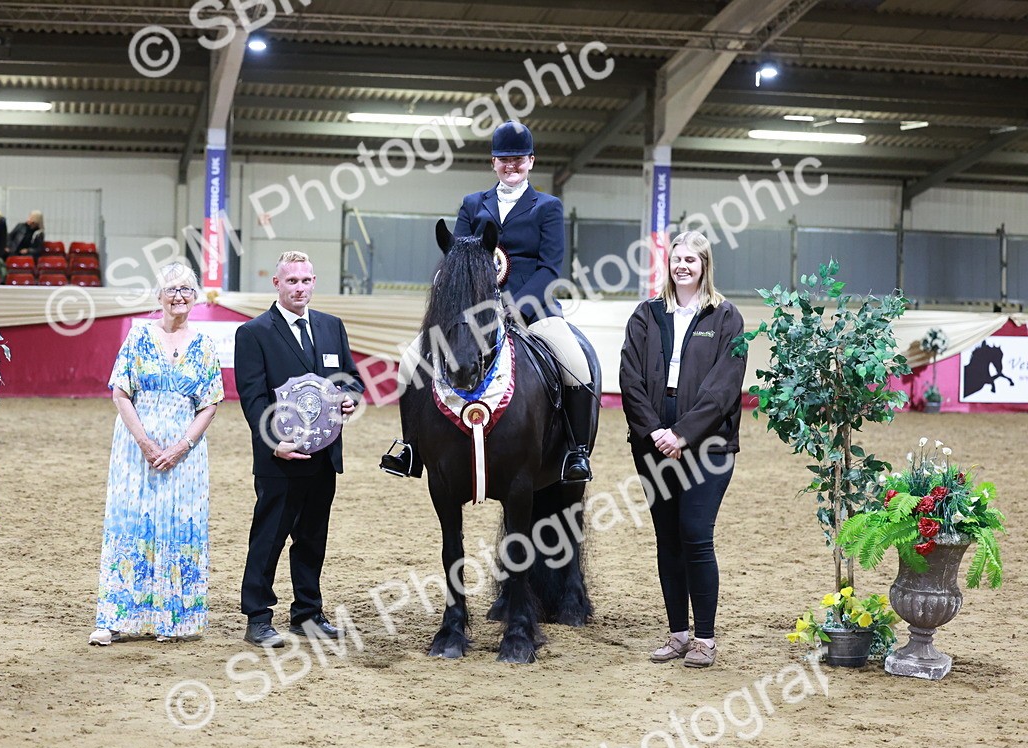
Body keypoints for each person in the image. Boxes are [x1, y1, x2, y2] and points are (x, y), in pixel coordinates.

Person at [380, 120, 597, 483]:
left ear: (531, 161)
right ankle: (411, 447)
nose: (511, 166)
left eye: (518, 159)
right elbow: (458, 258)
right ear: (492, 162)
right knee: (409, 361)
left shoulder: (547, 206)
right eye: (503, 159)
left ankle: (575, 452)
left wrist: (518, 307)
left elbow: (550, 267)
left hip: (533, 308)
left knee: (577, 364)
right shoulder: (472, 204)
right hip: (474, 310)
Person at [618, 230, 746, 669]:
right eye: (677, 259)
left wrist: (683, 434)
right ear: (667, 265)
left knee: (695, 535)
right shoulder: (647, 314)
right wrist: (655, 431)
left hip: (707, 447)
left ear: (705, 265)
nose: (683, 266)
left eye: (692, 259)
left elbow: (724, 388)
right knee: (667, 541)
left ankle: (705, 639)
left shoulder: (726, 317)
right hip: (653, 446)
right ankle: (677, 634)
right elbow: (629, 378)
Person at [234, 251, 363, 648]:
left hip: (324, 457)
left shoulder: (331, 326)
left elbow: (352, 380)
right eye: (292, 281)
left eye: (306, 280)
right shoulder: (254, 332)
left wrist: (349, 398)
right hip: (281, 459)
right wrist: (275, 443)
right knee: (269, 537)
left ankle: (307, 613)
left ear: (314, 281)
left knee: (312, 538)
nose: (300, 288)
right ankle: (257, 617)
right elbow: (251, 398)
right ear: (276, 284)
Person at [90, 262, 224, 645]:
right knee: (131, 524)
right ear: (158, 296)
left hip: (187, 455)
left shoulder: (205, 345)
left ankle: (173, 619)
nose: (179, 295)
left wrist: (182, 446)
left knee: (180, 526)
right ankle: (116, 619)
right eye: (171, 289)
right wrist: (146, 443)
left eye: (186, 289)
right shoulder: (137, 338)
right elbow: (121, 393)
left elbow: (210, 404)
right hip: (136, 452)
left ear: (196, 296)